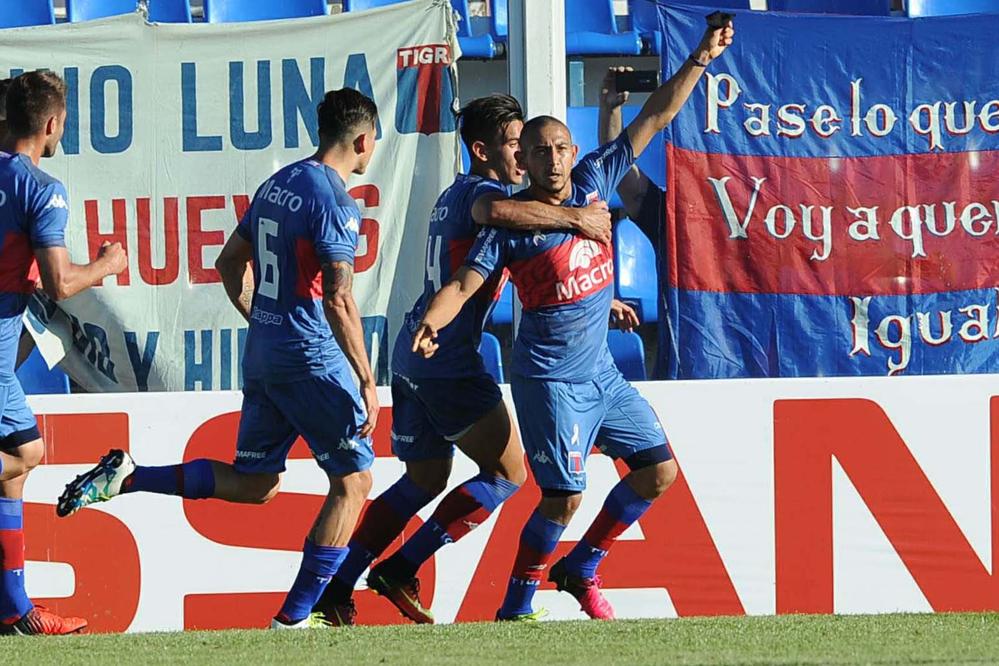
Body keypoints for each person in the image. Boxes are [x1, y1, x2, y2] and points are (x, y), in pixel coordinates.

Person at [412, 21, 734, 621]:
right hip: (551, 380)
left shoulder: (592, 181)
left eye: (561, 148)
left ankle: (581, 566)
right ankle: (515, 608)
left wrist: (699, 58)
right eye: (540, 151)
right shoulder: (511, 226)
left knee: (658, 472)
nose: (554, 159)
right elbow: (463, 284)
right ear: (523, 159)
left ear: (573, 151)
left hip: (601, 373)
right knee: (562, 499)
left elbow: (654, 118)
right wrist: (433, 322)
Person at [58, 88, 381, 630]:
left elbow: (230, 262)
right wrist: (367, 379)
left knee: (256, 483)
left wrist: (264, 320)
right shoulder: (334, 201)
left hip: (266, 354)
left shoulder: (277, 185)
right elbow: (339, 297)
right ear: (364, 140)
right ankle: (294, 619)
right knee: (354, 482)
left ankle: (131, 477)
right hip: (310, 357)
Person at [314, 94, 613, 626]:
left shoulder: (452, 192)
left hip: (416, 350)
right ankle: (402, 566)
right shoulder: (483, 194)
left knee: (424, 478)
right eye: (515, 143)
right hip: (447, 358)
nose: (523, 155)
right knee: (508, 472)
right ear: (481, 150)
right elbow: (497, 214)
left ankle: (337, 588)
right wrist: (578, 219)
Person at [0, 70, 128, 635]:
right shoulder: (41, 188)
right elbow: (60, 284)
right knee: (26, 453)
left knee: (13, 469)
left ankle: (14, 610)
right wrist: (107, 264)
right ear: (52, 124)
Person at [598, 66, 670, 378]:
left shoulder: (777, 218)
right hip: (687, 359)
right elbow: (623, 176)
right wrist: (611, 110)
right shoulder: (679, 213)